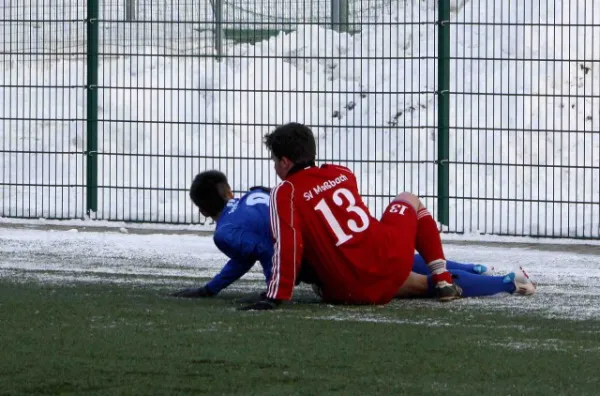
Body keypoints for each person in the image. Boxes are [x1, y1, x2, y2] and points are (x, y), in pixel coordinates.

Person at [240, 122, 535, 310]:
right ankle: (472, 279)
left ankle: (488, 280)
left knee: (417, 284)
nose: (275, 168)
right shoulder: (342, 173)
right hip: (386, 260)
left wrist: (275, 296)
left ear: (285, 161)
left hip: (349, 287)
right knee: (408, 200)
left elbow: (288, 244)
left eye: (275, 161)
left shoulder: (285, 191)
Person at [171, 170, 534, 301]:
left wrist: (276, 291)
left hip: (329, 260)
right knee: (404, 255)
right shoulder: (256, 192)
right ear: (228, 190)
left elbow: (265, 249)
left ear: (203, 210)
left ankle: (505, 282)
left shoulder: (224, 232)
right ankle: (474, 268)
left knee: (416, 283)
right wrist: (213, 287)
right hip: (351, 232)